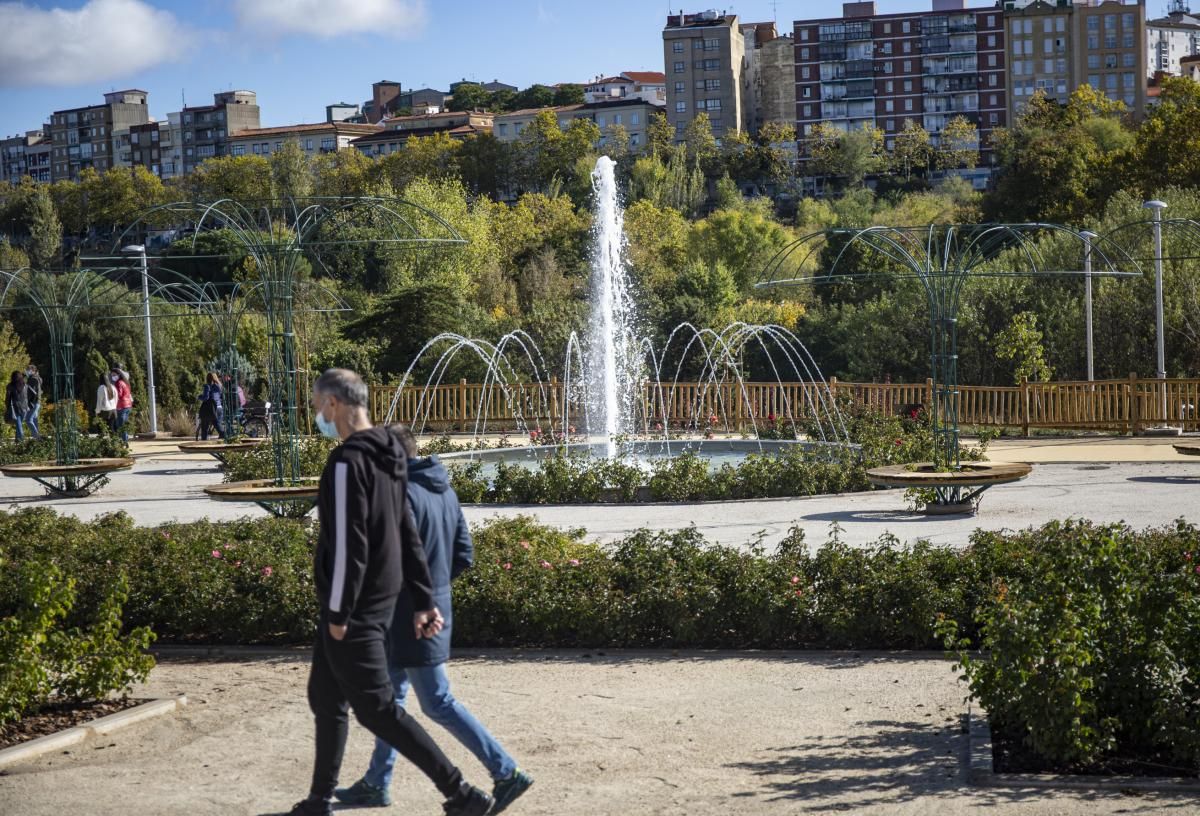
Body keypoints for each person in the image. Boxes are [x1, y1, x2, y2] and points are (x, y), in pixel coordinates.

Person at [286, 368, 492, 816]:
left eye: (317, 403)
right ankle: (319, 800)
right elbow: (405, 532)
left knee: (379, 710)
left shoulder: (346, 463)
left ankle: (462, 794)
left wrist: (339, 614)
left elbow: (349, 545)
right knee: (326, 698)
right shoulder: (390, 453)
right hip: (376, 602)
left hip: (352, 608)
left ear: (334, 405)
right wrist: (423, 599)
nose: (316, 413)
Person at [336, 424, 532, 813]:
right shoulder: (444, 490)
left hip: (411, 617)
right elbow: (464, 554)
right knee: (389, 704)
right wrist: (436, 590)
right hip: (426, 610)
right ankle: (376, 782)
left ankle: (506, 771)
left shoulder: (399, 495)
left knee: (437, 701)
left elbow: (397, 559)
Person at [197, 372, 223, 441]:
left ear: (207, 378)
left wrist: (199, 397)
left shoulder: (207, 386)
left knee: (204, 426)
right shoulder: (219, 386)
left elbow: (206, 397)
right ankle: (223, 436)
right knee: (217, 424)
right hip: (219, 407)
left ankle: (203, 443)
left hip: (211, 408)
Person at [111, 366, 133, 443]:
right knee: (123, 425)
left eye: (114, 375)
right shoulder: (125, 382)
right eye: (112, 375)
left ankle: (124, 441)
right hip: (128, 405)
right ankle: (125, 440)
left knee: (120, 426)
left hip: (121, 406)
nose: (113, 377)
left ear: (119, 375)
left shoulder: (118, 383)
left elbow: (119, 395)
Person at [5, 371, 28, 443]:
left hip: (16, 407)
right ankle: (17, 439)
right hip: (25, 407)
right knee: (19, 424)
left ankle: (21, 440)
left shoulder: (10, 386)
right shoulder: (24, 384)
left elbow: (8, 397)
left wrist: (8, 406)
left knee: (19, 425)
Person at [23, 364, 41, 440]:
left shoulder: (32, 379)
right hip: (37, 401)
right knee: (34, 420)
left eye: (29, 369)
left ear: (33, 370)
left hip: (33, 402)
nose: (27, 371)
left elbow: (31, 391)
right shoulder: (38, 378)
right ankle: (37, 439)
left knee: (28, 420)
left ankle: (37, 437)